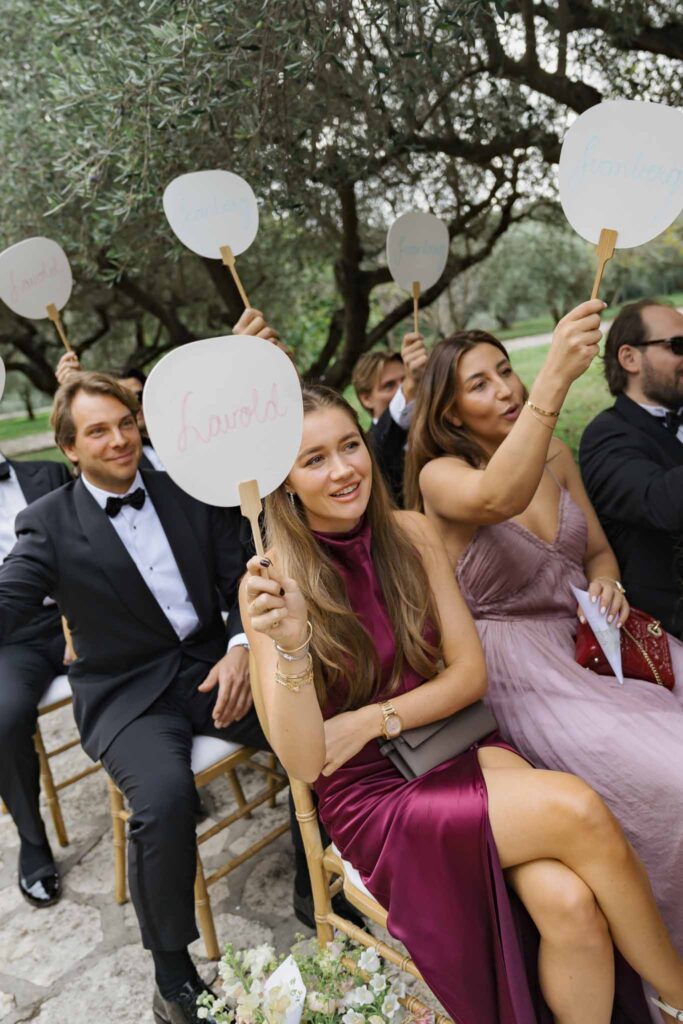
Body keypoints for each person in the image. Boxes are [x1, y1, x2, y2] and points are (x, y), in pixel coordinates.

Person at [241, 384, 683, 1024]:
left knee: (569, 904)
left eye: (349, 446)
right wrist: (288, 648)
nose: (342, 470)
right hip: (375, 795)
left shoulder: (411, 534)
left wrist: (371, 719)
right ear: (284, 481)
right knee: (580, 807)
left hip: (455, 743)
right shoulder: (272, 583)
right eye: (314, 460)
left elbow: (470, 676)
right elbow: (307, 759)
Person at [403, 300, 683, 1000]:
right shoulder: (441, 475)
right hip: (522, 671)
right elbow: (497, 497)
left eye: (507, 371)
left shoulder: (557, 452)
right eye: (480, 383)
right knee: (668, 774)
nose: (504, 389)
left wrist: (606, 583)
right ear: (448, 409)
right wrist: (554, 379)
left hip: (595, 635)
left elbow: (594, 549)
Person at [0, 373, 280, 1024]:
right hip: (128, 695)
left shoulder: (185, 487)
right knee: (163, 798)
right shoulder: (44, 524)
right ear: (68, 448)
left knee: (312, 730)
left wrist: (241, 646)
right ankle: (172, 976)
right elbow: (9, 601)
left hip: (213, 664)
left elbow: (241, 566)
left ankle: (310, 883)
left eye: (125, 422)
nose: (119, 439)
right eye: (98, 430)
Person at [579, 299, 683, 638]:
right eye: (678, 346)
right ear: (629, 358)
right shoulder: (605, 435)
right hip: (667, 628)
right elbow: (662, 505)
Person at [0, 453, 72, 907]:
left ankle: (164, 784)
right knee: (3, 718)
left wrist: (77, 620)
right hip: (11, 640)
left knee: (143, 660)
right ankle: (32, 840)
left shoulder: (47, 473)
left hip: (79, 614)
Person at [352, 335, 428, 505]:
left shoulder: (433, 430)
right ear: (366, 399)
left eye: (403, 380)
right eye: (388, 386)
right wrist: (408, 387)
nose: (400, 389)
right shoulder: (366, 447)